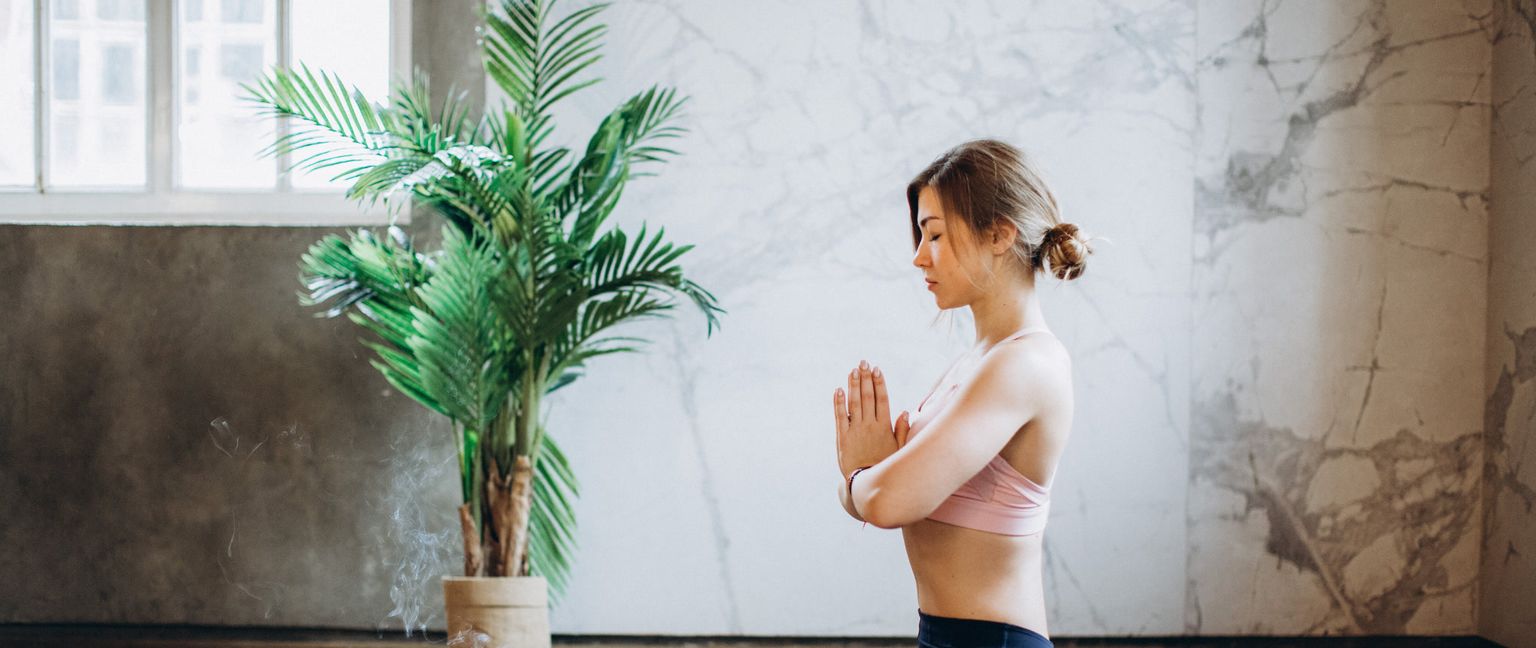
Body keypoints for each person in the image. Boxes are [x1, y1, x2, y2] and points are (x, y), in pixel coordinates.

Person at [832, 139, 1095, 648]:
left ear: (998, 235)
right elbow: (882, 494)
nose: (917, 257)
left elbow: (888, 501)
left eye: (934, 235)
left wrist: (862, 478)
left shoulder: (1026, 363)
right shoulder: (979, 362)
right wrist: (869, 481)